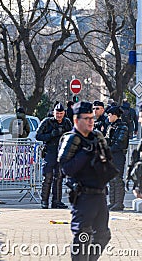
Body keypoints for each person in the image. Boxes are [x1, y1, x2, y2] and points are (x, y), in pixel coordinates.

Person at [58, 101, 112, 260]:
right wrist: (85, 154)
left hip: (100, 194)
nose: (90, 121)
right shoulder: (71, 139)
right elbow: (66, 168)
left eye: (91, 118)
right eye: (86, 118)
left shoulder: (97, 136)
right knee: (83, 236)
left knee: (102, 235)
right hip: (83, 195)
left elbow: (107, 160)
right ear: (76, 120)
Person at [36, 102, 72, 209]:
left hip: (61, 153)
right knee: (48, 177)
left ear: (64, 113)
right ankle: (44, 200)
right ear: (53, 113)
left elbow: (72, 135)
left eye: (61, 113)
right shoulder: (47, 122)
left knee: (59, 177)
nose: (59, 115)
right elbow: (38, 135)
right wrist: (51, 134)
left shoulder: (67, 123)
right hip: (50, 152)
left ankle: (57, 201)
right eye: (57, 113)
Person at [105, 106, 128, 211]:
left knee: (117, 178)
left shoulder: (123, 127)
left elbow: (119, 143)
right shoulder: (111, 127)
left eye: (109, 115)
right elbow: (107, 139)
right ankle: (112, 202)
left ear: (115, 115)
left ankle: (119, 203)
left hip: (118, 155)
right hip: (110, 155)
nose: (108, 117)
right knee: (111, 179)